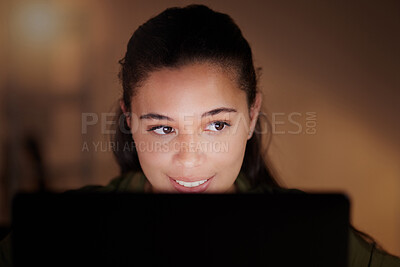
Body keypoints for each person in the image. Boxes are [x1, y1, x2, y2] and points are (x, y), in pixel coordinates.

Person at [1, 4, 399, 267]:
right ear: (129, 121)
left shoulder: (315, 243)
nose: (189, 160)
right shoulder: (67, 233)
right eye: (162, 127)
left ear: (251, 114)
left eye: (217, 124)